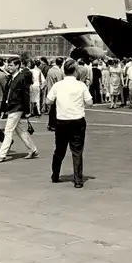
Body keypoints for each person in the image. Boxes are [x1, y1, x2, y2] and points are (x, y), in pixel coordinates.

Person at [46, 59, 93, 188]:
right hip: (77, 120)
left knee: (59, 150)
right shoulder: (81, 85)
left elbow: (48, 101)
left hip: (62, 121)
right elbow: (89, 102)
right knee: (77, 151)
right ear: (75, 71)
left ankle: (55, 174)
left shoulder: (58, 85)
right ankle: (78, 180)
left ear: (64, 71)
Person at [0, 57, 38, 163]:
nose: (9, 67)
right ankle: (33, 149)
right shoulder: (12, 77)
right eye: (8, 65)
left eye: (11, 65)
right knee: (20, 130)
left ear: (17, 66)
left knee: (8, 131)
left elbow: (25, 95)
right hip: (13, 107)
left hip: (17, 107)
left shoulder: (20, 78)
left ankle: (2, 155)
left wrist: (27, 111)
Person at [46, 57, 64, 131]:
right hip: (56, 92)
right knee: (55, 110)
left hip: (50, 90)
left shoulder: (50, 70)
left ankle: (50, 124)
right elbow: (60, 82)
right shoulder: (59, 72)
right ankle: (54, 125)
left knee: (52, 110)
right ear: (61, 63)